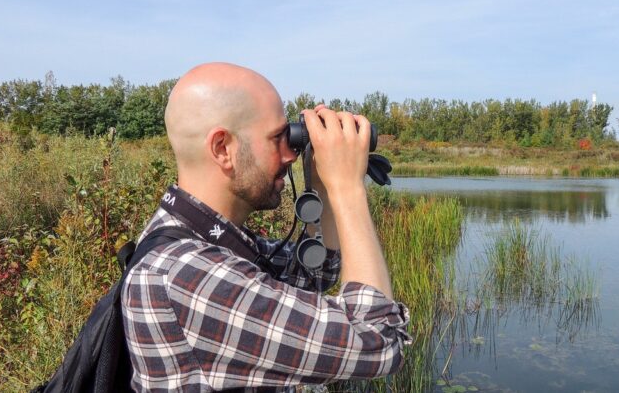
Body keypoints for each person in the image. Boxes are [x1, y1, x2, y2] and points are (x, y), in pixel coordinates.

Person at [121, 62, 411, 392]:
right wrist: (348, 189)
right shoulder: (187, 274)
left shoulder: (198, 237)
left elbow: (313, 274)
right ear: (223, 149)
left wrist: (324, 187)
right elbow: (380, 341)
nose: (290, 153)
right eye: (277, 138)